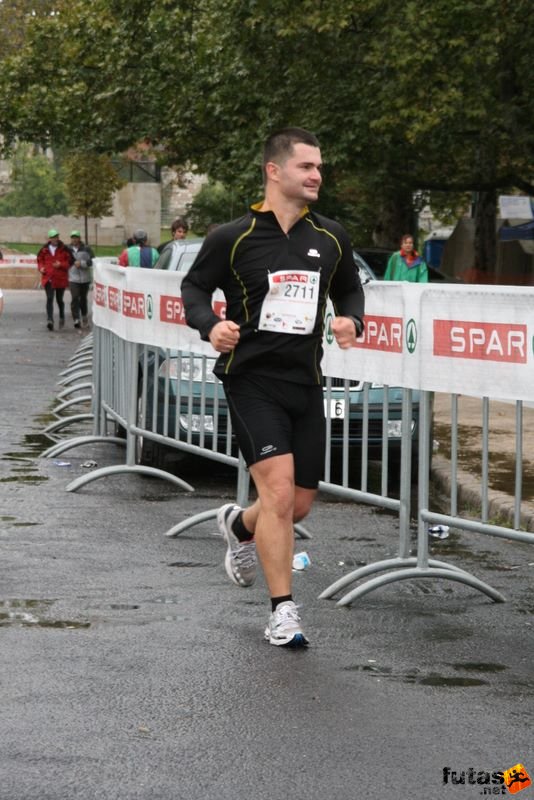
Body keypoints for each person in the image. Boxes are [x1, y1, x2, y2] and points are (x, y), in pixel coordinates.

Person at [181, 127, 365, 648]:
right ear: (274, 171)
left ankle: (240, 527)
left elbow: (350, 289)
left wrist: (352, 320)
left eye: (320, 167)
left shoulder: (330, 237)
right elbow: (194, 286)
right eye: (307, 167)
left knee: (298, 504)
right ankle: (283, 611)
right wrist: (209, 325)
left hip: (305, 383)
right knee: (279, 493)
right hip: (250, 380)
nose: (317, 176)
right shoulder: (233, 236)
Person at [36, 229, 73, 331]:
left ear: (58, 237)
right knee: (49, 298)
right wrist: (41, 268)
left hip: (60, 278)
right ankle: (50, 320)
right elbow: (39, 260)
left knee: (59, 299)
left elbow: (70, 262)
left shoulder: (64, 249)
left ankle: (61, 316)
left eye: (56, 236)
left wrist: (60, 265)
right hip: (48, 277)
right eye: (53, 237)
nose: (55, 239)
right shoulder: (44, 249)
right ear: (49, 238)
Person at [67, 230, 94, 329]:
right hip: (73, 278)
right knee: (75, 297)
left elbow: (92, 261)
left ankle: (84, 316)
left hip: (85, 278)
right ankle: (76, 318)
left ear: (79, 238)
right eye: (73, 237)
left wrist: (82, 263)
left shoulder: (86, 248)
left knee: (83, 299)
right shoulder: (67, 249)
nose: (74, 239)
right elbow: (65, 260)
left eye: (76, 237)